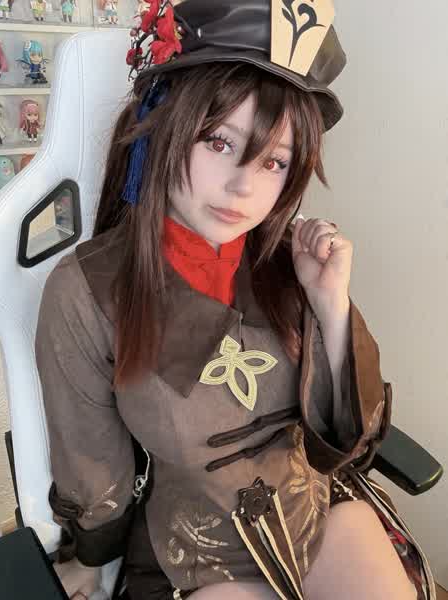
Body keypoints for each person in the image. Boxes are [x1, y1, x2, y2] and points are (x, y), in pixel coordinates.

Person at [34, 1, 435, 599]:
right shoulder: (88, 290)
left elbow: (348, 442)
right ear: (163, 128)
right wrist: (91, 558)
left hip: (318, 509)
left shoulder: (289, 260)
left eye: (274, 161)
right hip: (196, 546)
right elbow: (91, 459)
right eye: (219, 142)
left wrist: (330, 305)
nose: (244, 186)